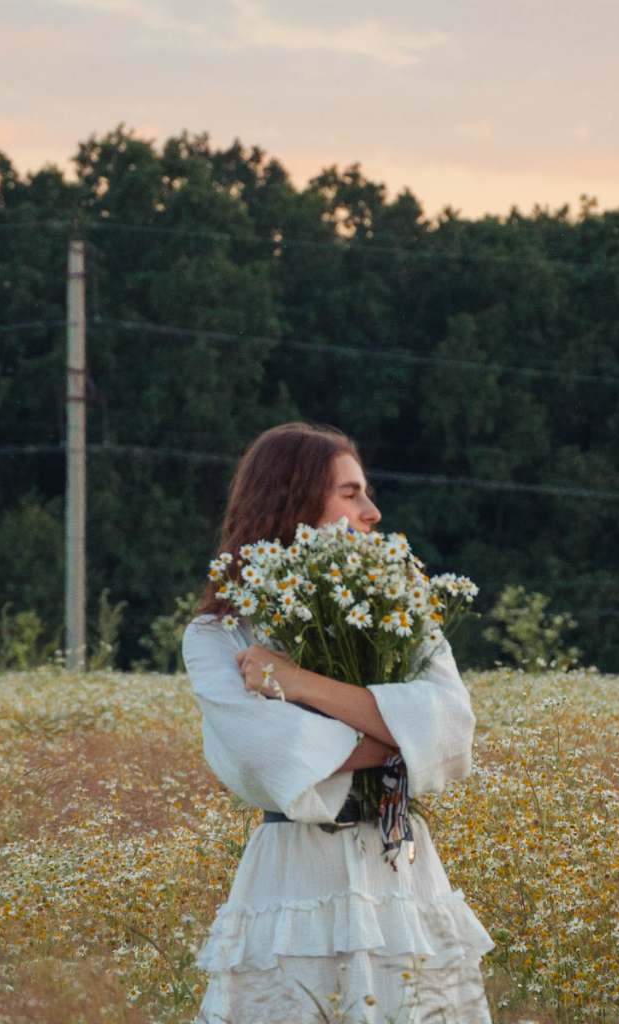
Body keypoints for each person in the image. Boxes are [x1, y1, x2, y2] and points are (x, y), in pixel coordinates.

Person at [183, 422, 494, 1024]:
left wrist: (296, 683)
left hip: (399, 878)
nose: (373, 513)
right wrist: (402, 737)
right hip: (294, 886)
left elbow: (452, 729)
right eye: (350, 494)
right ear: (291, 501)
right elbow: (272, 758)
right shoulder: (220, 637)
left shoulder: (403, 610)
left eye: (366, 492)